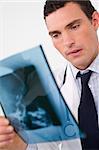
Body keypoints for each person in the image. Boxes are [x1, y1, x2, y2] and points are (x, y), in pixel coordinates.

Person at [0, 0, 99, 149]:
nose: (67, 42)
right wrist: (18, 144)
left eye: (74, 27)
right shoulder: (44, 89)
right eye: (56, 34)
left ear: (95, 21)